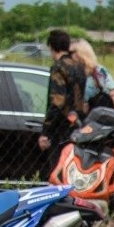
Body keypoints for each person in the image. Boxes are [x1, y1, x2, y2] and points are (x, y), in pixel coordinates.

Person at [39, 29, 88, 171]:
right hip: (78, 125)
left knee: (57, 169)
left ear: (52, 47)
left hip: (60, 127)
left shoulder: (58, 68)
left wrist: (46, 131)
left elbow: (57, 102)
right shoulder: (79, 67)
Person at [72, 38, 114, 110]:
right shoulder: (70, 72)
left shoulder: (98, 71)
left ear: (81, 53)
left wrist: (94, 106)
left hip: (99, 116)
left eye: (71, 52)